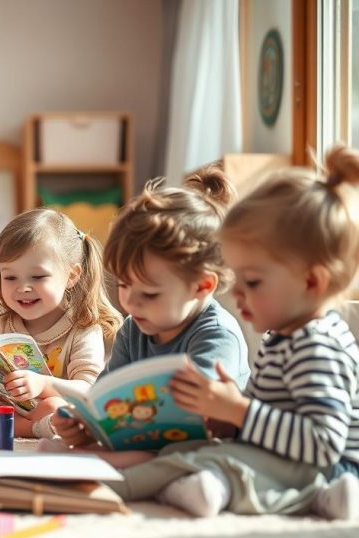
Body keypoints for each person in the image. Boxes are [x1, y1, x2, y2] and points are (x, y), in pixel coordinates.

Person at [119, 146, 359, 519]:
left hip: (332, 467)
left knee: (208, 462)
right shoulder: (285, 336)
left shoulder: (316, 344)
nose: (238, 294)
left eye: (253, 281)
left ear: (311, 282)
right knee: (199, 454)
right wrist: (228, 417)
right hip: (295, 463)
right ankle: (308, 497)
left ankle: (121, 487)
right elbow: (271, 420)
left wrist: (239, 410)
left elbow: (322, 443)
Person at [52, 168, 251, 467]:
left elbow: (196, 414)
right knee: (73, 450)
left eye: (150, 294)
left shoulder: (218, 334)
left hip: (208, 450)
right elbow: (104, 397)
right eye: (123, 285)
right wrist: (84, 422)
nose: (130, 302)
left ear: (202, 286)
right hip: (149, 441)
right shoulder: (133, 329)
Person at [0, 208, 121, 438]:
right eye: (10, 277)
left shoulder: (83, 327)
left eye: (37, 277)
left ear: (71, 276)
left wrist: (42, 384)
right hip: (10, 409)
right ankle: (29, 429)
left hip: (52, 408)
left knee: (59, 408)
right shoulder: (2, 324)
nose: (23, 288)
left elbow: (88, 390)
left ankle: (35, 425)